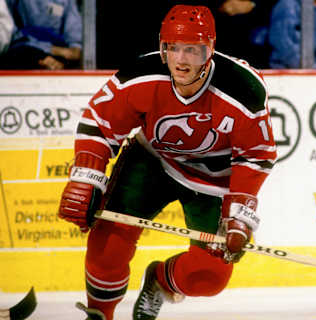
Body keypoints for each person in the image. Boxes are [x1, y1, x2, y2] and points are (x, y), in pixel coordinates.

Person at [58, 5, 277, 320]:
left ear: (210, 50)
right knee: (106, 248)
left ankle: (160, 281)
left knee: (209, 276)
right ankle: (100, 313)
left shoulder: (243, 90)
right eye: (173, 48)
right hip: (152, 161)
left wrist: (238, 214)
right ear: (163, 48)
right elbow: (100, 123)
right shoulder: (141, 76)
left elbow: (255, 154)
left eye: (192, 49)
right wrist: (86, 177)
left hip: (214, 180)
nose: (181, 59)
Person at [0, 0, 82, 70]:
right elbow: (9, 36)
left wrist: (73, 52)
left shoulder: (67, 2)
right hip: (20, 57)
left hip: (59, 62)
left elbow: (75, 45)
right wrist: (47, 50)